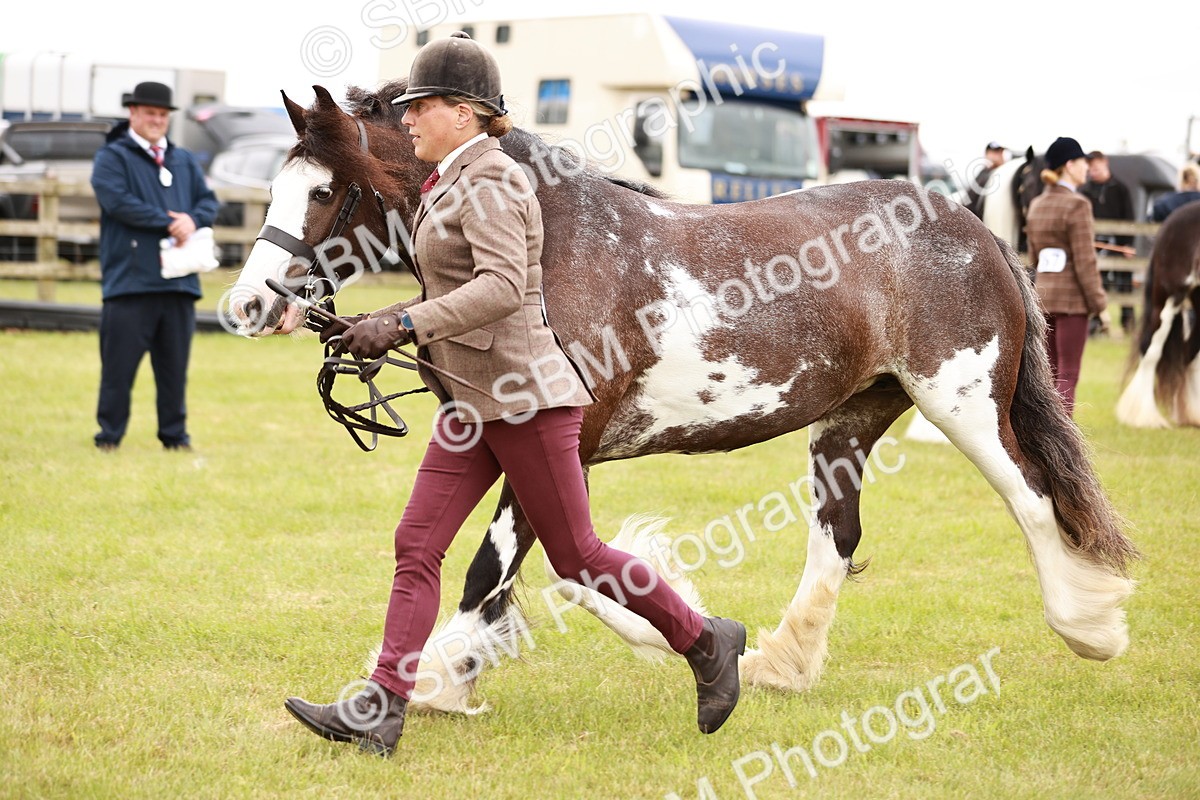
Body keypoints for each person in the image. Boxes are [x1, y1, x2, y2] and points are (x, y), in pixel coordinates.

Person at [283, 32, 746, 756]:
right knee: (417, 544)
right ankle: (382, 704)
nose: (406, 119)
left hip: (527, 400)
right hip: (472, 402)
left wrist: (401, 323)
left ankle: (706, 638)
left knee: (577, 555)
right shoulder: (446, 180)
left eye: (421, 106)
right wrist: (370, 322)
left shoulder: (494, 181)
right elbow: (454, 285)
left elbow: (500, 288)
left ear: (465, 113)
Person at [90, 81, 218, 451]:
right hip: (131, 283)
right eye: (150, 113)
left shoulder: (182, 159)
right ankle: (109, 437)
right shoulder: (113, 157)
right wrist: (168, 221)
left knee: (174, 370)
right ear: (133, 113)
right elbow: (117, 201)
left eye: (162, 115)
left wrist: (192, 220)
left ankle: (174, 437)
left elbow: (208, 202)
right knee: (118, 370)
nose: (156, 120)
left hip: (178, 285)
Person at [1025, 137, 1110, 416]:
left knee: (1048, 377)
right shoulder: (1078, 205)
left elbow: (1035, 257)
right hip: (1073, 302)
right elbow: (1085, 261)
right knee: (1068, 375)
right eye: (1083, 162)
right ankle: (1063, 438)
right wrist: (1100, 306)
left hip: (1044, 298)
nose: (1087, 167)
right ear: (1070, 165)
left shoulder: (1037, 204)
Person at [1080, 151, 1135, 332]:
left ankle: (1128, 322)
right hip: (1093, 244)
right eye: (1090, 169)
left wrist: (1127, 244)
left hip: (1118, 244)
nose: (1093, 172)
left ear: (1105, 163)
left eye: (1096, 168)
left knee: (1124, 283)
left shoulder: (1121, 189)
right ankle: (1097, 323)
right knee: (1096, 283)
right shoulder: (1085, 191)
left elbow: (1129, 218)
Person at [966, 141, 1007, 218]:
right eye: (995, 152)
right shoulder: (984, 175)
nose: (999, 156)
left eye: (1000, 152)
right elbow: (968, 203)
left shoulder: (1006, 173)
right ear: (987, 154)